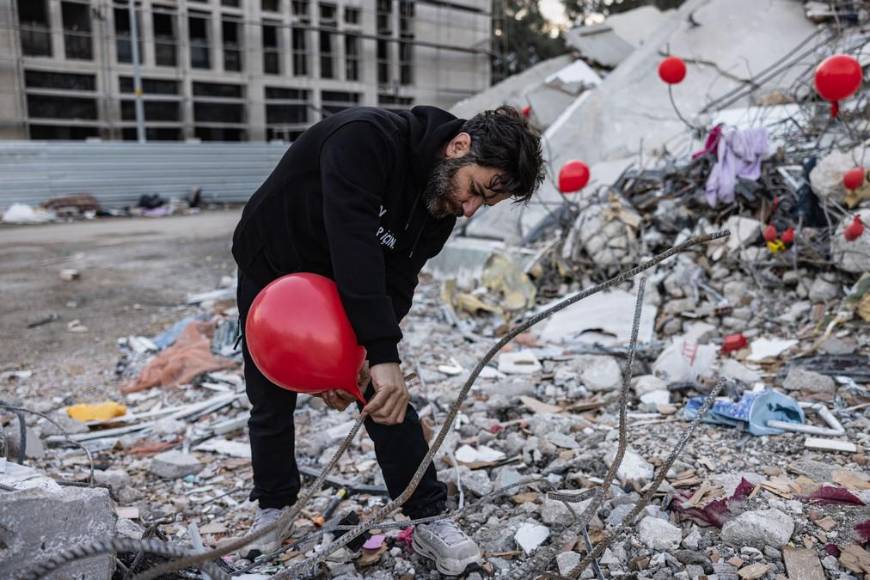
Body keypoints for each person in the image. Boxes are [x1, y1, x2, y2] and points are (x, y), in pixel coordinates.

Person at [232, 104, 544, 575]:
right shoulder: (365, 138)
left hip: (347, 272)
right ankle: (274, 508)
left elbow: (397, 282)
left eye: (484, 205)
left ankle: (429, 514)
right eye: (476, 191)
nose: (469, 208)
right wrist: (378, 352)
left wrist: (366, 357)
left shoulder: (439, 204)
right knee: (270, 395)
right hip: (276, 258)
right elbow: (353, 241)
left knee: (383, 390)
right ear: (459, 146)